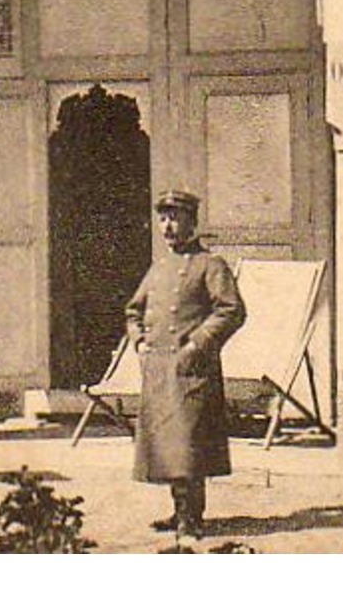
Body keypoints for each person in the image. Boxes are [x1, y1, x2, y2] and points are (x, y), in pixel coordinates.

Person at [124, 189, 245, 540]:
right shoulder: (159, 267)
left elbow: (231, 310)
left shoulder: (211, 265)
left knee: (188, 442)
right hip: (159, 369)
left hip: (192, 368)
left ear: (192, 222)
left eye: (175, 218)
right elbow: (134, 310)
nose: (168, 225)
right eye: (163, 218)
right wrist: (140, 343)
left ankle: (192, 516)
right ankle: (179, 511)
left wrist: (198, 343)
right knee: (166, 444)